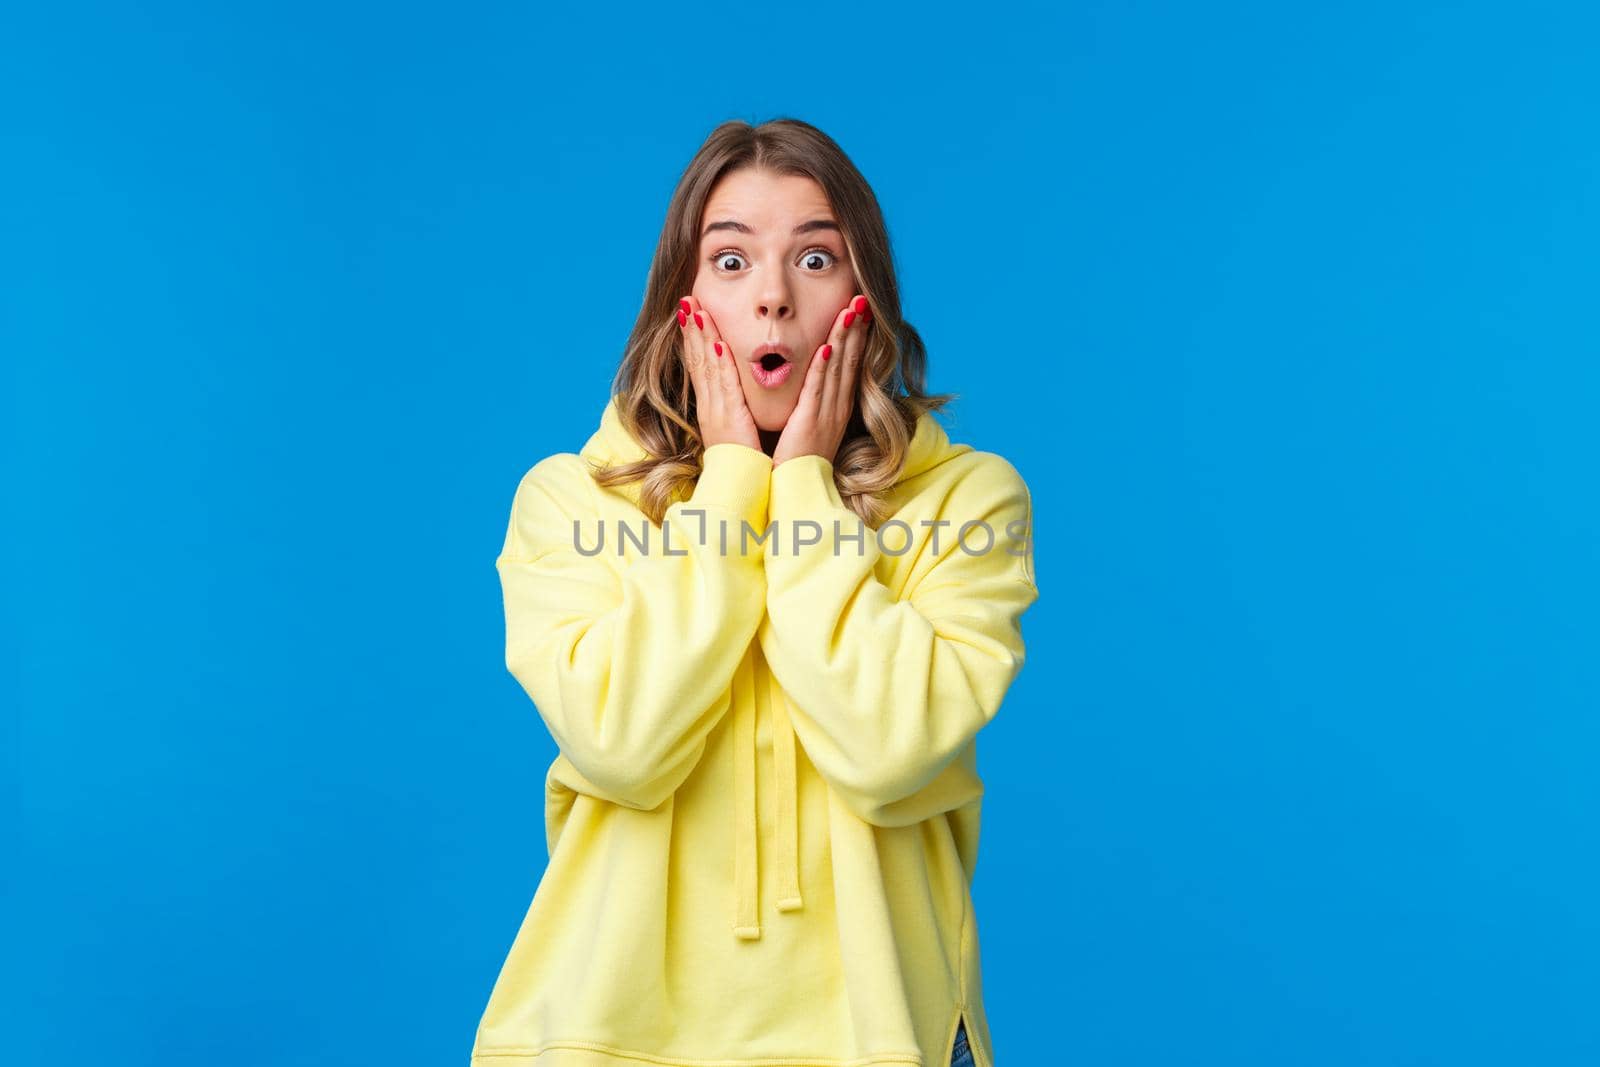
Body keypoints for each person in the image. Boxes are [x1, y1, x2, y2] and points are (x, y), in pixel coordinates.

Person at [470, 117, 1037, 1067]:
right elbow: (623, 745)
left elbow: (888, 749)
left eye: (816, 258)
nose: (773, 297)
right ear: (681, 303)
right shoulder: (567, 499)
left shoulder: (968, 500)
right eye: (731, 262)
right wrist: (735, 481)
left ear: (866, 296)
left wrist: (805, 488)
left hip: (877, 1037)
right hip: (598, 1039)